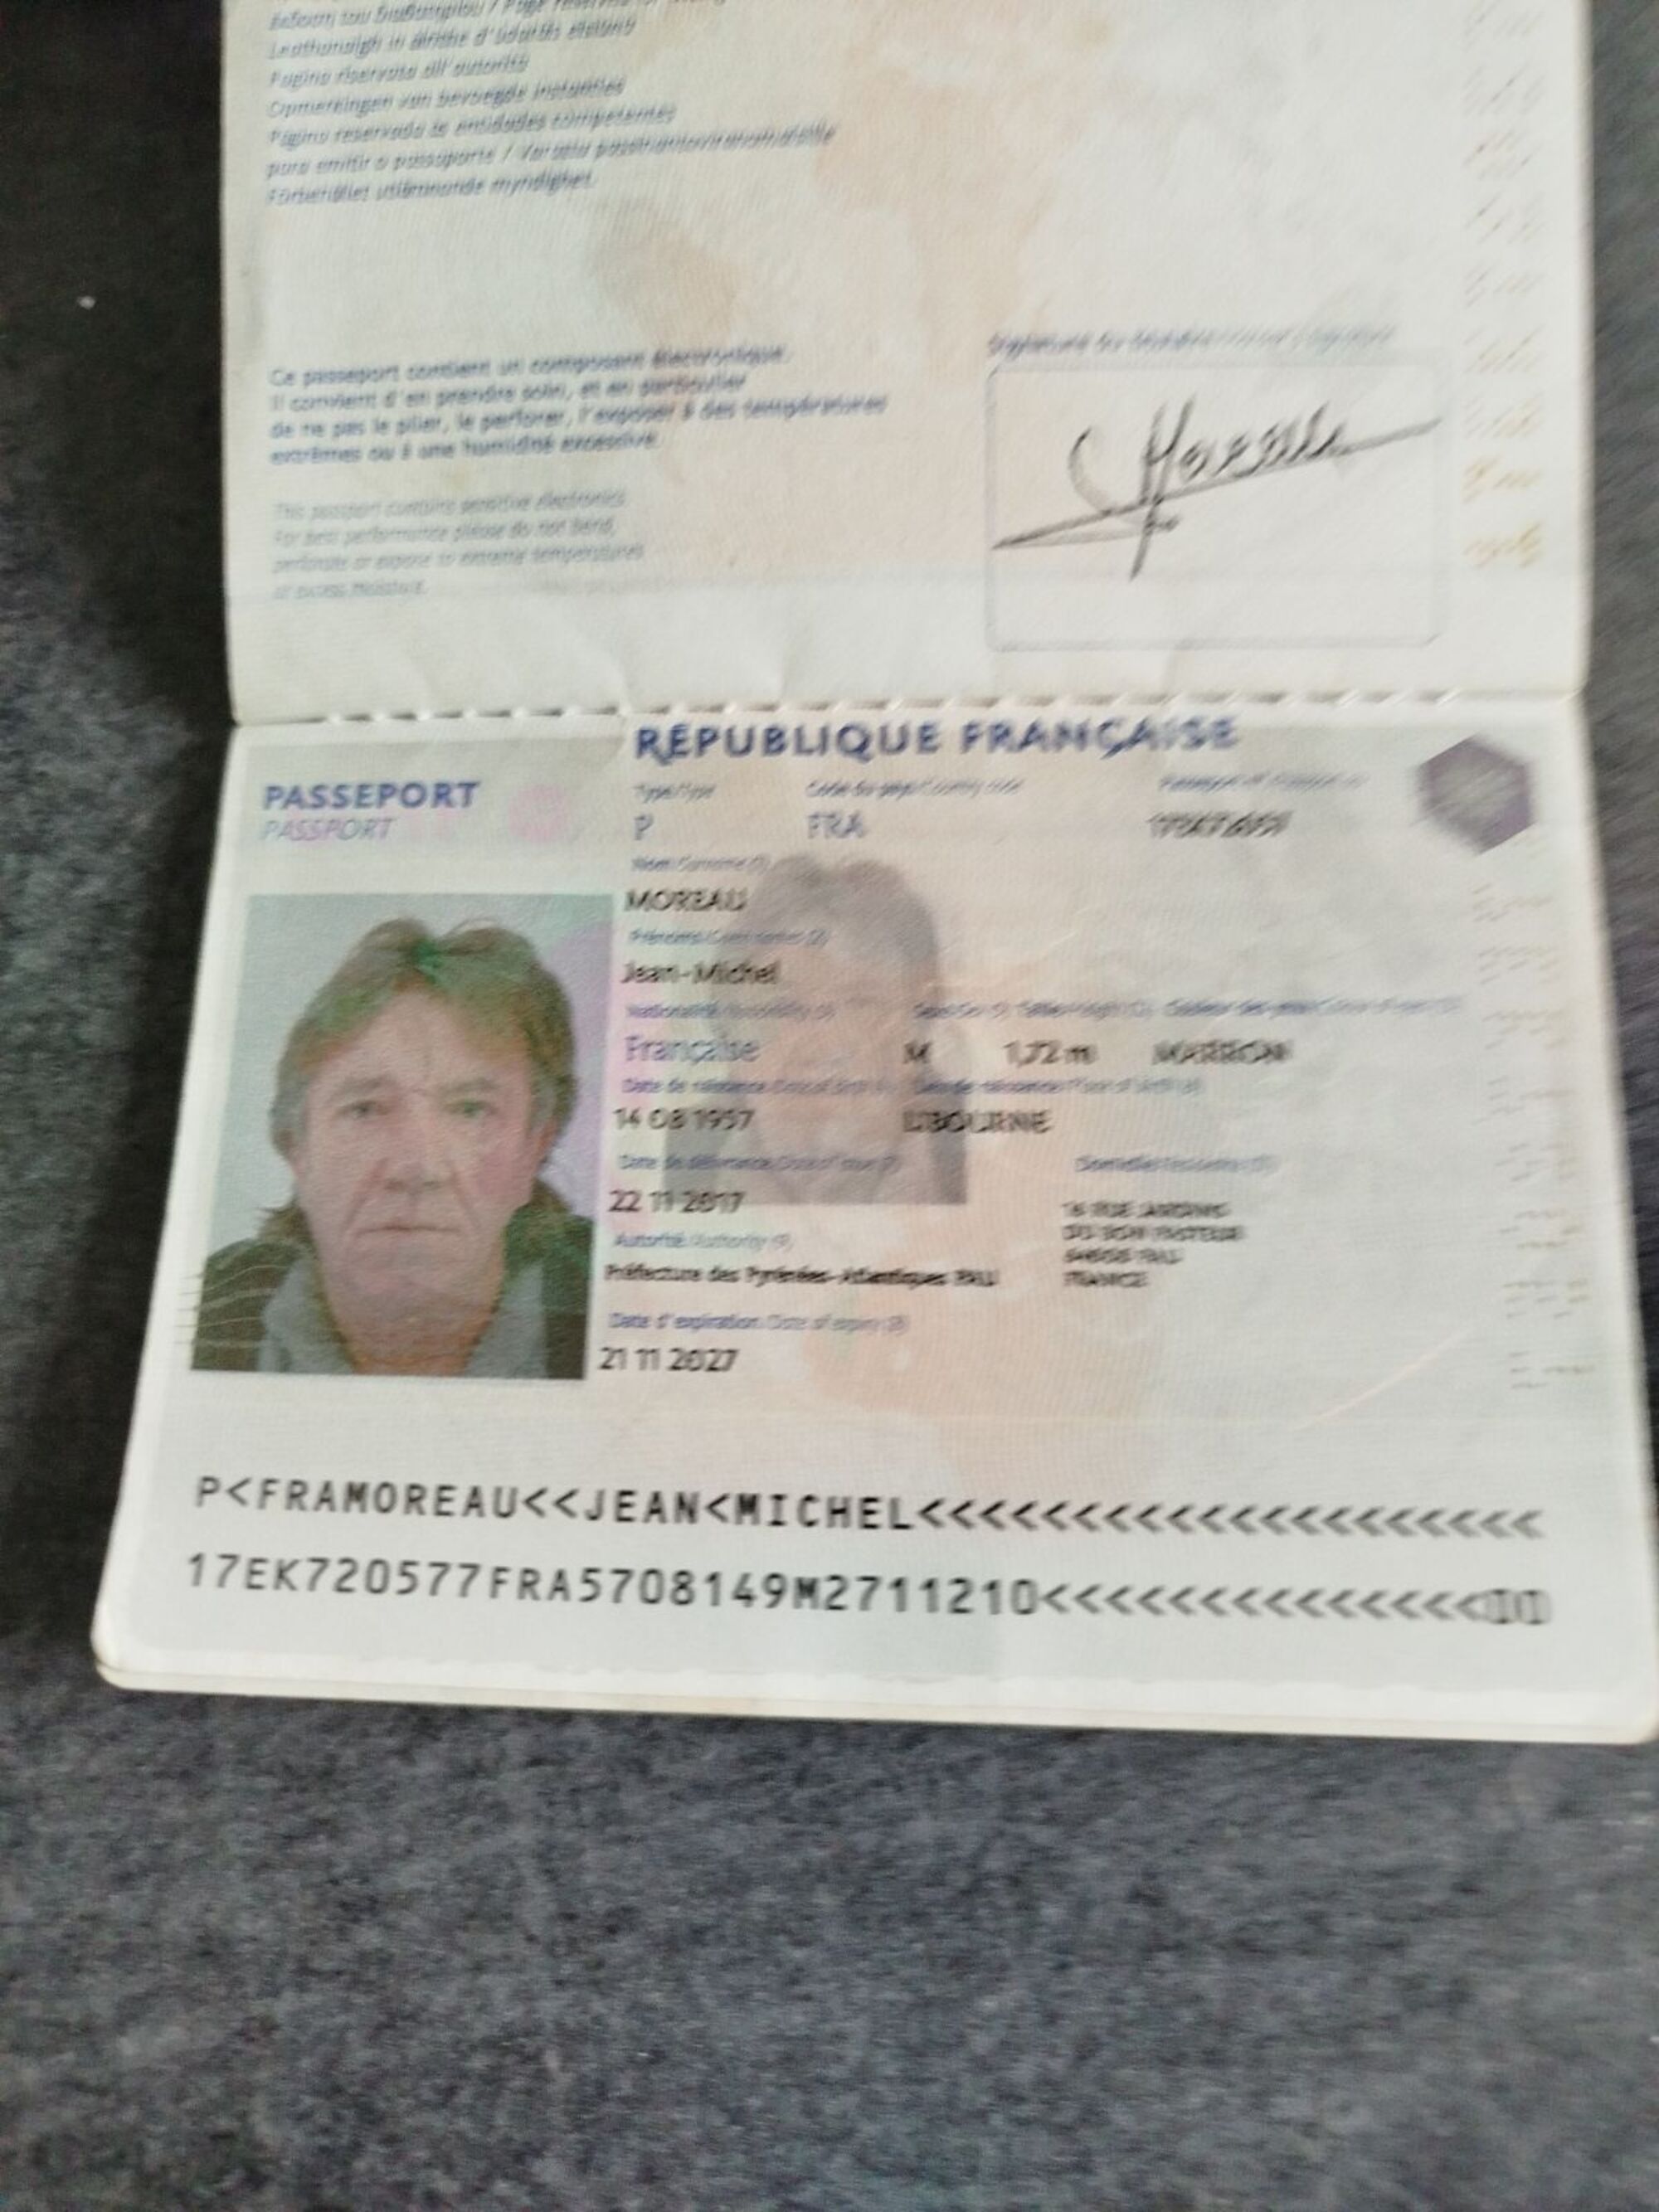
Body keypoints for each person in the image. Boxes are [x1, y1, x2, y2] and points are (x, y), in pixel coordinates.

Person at [194, 919, 592, 1378]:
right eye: (365, 1110)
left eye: (470, 1110)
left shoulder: (627, 1297)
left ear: (536, 1145)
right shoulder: (198, 1319)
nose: (417, 1168)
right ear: (296, 1146)